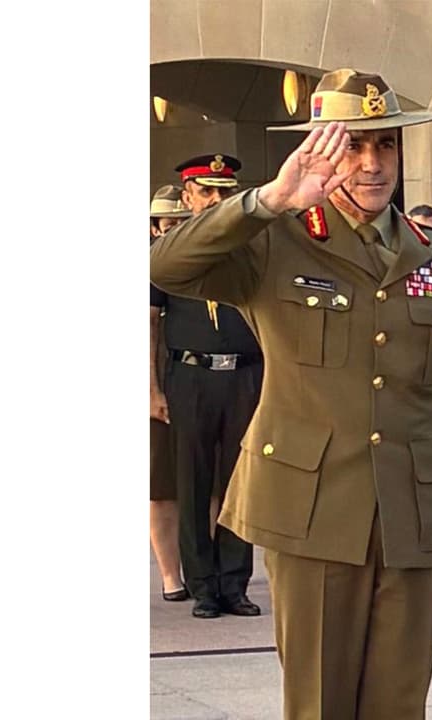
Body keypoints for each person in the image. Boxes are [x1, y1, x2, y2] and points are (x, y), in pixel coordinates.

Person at [150, 68, 432, 720]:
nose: (370, 163)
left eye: (384, 144)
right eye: (350, 146)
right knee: (320, 705)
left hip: (414, 517)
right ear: (318, 152)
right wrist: (268, 199)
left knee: (399, 706)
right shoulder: (275, 239)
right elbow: (163, 266)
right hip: (311, 512)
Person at [154, 153, 262, 621]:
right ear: (188, 197)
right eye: (207, 191)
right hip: (190, 374)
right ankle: (201, 587)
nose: (218, 199)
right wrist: (151, 389)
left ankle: (235, 584)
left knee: (241, 482)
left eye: (226, 190)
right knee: (193, 481)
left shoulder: (251, 247)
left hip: (245, 373)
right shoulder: (169, 252)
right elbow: (148, 324)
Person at [149, 185, 192, 602]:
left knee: (213, 482)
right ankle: (170, 575)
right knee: (162, 486)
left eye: (183, 223)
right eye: (168, 224)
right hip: (161, 384)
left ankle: (208, 571)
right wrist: (150, 391)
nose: (175, 231)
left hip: (205, 382)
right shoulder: (150, 268)